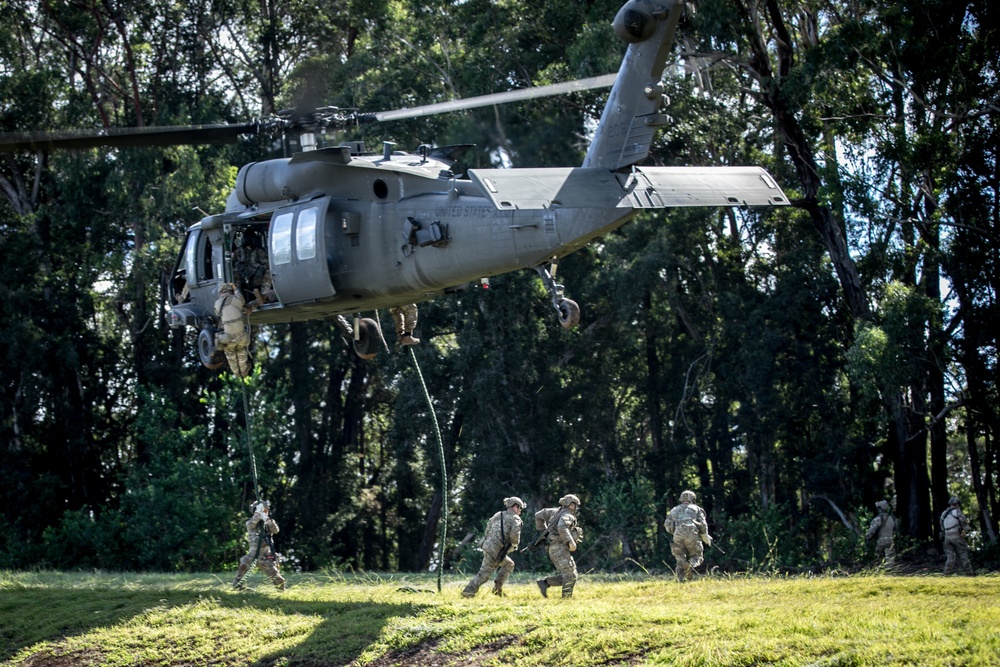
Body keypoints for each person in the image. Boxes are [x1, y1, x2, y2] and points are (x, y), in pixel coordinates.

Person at [462, 497, 526, 597]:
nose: (520, 512)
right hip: (497, 550)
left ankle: (497, 589)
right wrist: (514, 546)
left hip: (487, 545)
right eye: (520, 508)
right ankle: (468, 592)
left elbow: (487, 529)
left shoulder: (498, 514)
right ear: (515, 506)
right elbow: (514, 536)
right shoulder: (515, 519)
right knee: (485, 573)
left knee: (509, 564)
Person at [535, 494, 583, 599]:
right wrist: (571, 542)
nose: (576, 508)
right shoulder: (567, 515)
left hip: (553, 547)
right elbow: (562, 526)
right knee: (570, 575)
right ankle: (566, 599)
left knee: (568, 574)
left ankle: (545, 583)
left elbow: (538, 515)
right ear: (571, 505)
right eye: (575, 505)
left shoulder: (554, 512)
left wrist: (543, 531)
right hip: (559, 548)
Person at [233, 500, 286, 590]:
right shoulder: (250, 523)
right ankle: (237, 586)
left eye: (265, 510)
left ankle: (281, 592)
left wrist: (266, 519)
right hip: (253, 555)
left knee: (278, 580)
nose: (264, 512)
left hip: (266, 556)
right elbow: (252, 524)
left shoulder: (268, 523)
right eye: (262, 510)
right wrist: (258, 513)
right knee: (243, 565)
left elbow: (276, 530)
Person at [664, 490, 712, 582]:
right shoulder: (697, 509)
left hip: (677, 534)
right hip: (692, 534)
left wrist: (675, 532)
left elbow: (667, 525)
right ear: (693, 499)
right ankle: (690, 565)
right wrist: (704, 535)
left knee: (680, 558)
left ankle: (680, 579)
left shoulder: (674, 510)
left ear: (681, 499)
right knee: (697, 556)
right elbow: (702, 524)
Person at [214, 283, 252, 377]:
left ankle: (236, 372)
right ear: (230, 291)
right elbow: (241, 298)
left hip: (228, 338)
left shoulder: (217, 304)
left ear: (220, 293)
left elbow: (217, 314)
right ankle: (243, 371)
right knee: (241, 351)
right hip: (241, 336)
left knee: (231, 355)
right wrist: (235, 287)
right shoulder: (236, 299)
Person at [940, 496, 973, 575]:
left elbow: (942, 527)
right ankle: (969, 573)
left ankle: (946, 574)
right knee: (963, 554)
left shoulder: (944, 513)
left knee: (950, 557)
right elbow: (964, 524)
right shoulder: (957, 511)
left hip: (947, 537)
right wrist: (966, 531)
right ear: (957, 504)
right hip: (956, 536)